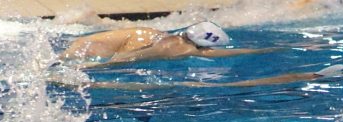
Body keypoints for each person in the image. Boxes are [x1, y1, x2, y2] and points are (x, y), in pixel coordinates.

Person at [61, 21, 277, 66]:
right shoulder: (179, 48)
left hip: (79, 46)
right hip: (94, 60)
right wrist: (267, 50)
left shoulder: (149, 32)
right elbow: (122, 59)